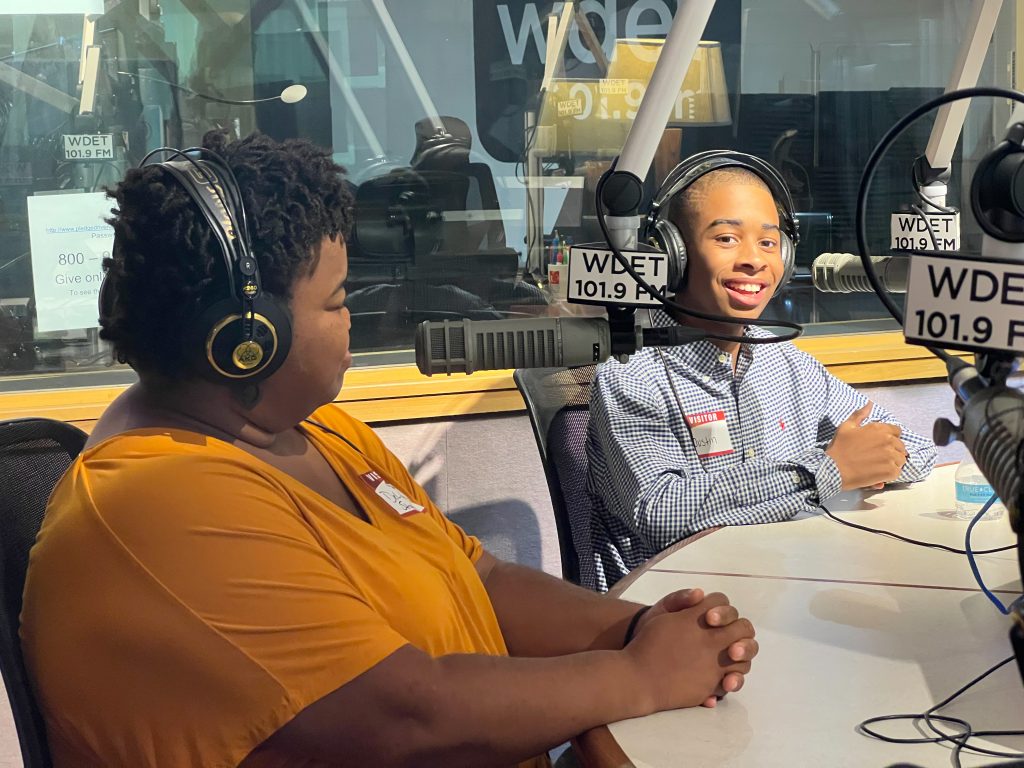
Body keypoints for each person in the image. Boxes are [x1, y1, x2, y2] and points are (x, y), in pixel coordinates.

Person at [20, 132, 759, 768]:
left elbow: (484, 580)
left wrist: (640, 628)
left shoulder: (312, 431)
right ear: (246, 341)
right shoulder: (162, 503)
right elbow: (407, 718)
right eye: (337, 302)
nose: (352, 321)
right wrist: (637, 677)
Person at [585, 152, 936, 592]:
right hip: (666, 619)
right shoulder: (631, 374)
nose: (753, 260)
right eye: (728, 238)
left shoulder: (789, 365)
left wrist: (870, 459)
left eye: (769, 243)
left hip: (779, 590)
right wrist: (826, 471)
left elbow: (917, 451)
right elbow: (661, 513)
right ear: (674, 254)